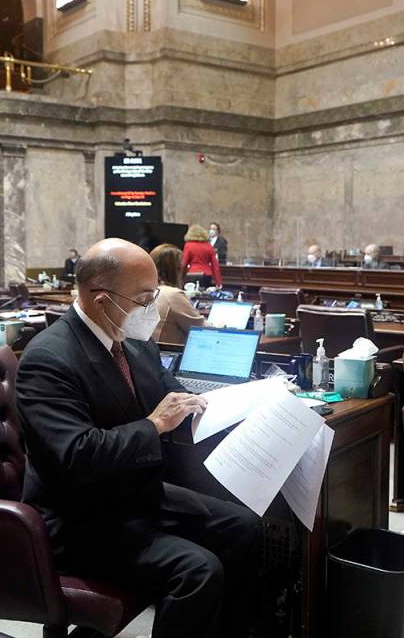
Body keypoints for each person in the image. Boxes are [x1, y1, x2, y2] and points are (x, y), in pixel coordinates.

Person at [16, 238, 261, 638]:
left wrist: (237, 407)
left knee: (245, 528)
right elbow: (76, 456)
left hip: (134, 493)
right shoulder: (48, 359)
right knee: (198, 571)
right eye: (146, 298)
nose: (152, 308)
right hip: (79, 517)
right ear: (100, 299)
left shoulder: (133, 341)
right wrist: (155, 425)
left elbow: (173, 395)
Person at [149, 244, 205, 344]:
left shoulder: (149, 289)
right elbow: (201, 329)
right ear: (177, 269)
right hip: (167, 355)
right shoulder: (172, 295)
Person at [183, 224, 222, 289]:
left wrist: (181, 276)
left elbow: (184, 263)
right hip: (206, 275)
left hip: (192, 274)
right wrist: (218, 282)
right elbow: (215, 266)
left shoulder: (188, 245)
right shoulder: (209, 246)